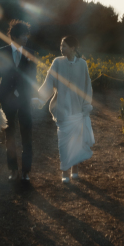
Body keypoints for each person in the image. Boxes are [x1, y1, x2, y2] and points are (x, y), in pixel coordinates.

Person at [34, 36, 94, 183]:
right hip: (62, 109)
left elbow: (87, 86)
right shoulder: (57, 62)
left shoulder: (82, 64)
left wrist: (87, 105)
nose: (61, 48)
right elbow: (49, 82)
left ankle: (75, 169)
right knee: (64, 142)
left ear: (73, 48)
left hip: (78, 110)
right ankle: (65, 171)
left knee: (77, 141)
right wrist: (40, 99)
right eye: (61, 45)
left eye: (64, 46)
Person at [0, 20, 37, 181]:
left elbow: (32, 78)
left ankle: (26, 171)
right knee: (9, 136)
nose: (26, 38)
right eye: (23, 35)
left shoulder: (31, 53)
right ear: (14, 36)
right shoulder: (2, 51)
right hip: (6, 99)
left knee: (27, 135)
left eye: (27, 35)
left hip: (24, 99)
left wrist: (33, 95)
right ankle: (13, 170)